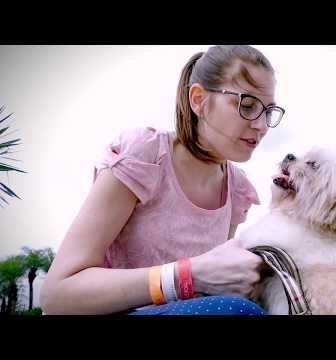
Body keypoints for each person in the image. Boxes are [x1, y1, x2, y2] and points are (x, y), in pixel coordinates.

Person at [40, 45, 285, 315]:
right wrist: (185, 276)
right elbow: (57, 295)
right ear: (199, 100)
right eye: (248, 106)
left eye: (269, 112)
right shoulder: (145, 156)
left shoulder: (238, 190)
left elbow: (213, 284)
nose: (261, 125)